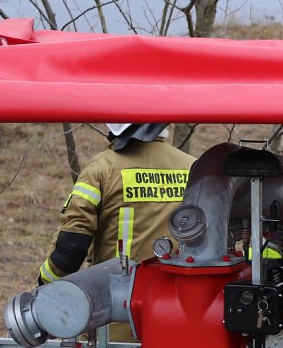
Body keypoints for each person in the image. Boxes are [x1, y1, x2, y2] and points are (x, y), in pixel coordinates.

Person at [39, 123, 195, 286]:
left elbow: (72, 244)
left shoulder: (102, 168)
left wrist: (45, 283)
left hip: (116, 292)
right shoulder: (193, 167)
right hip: (179, 291)